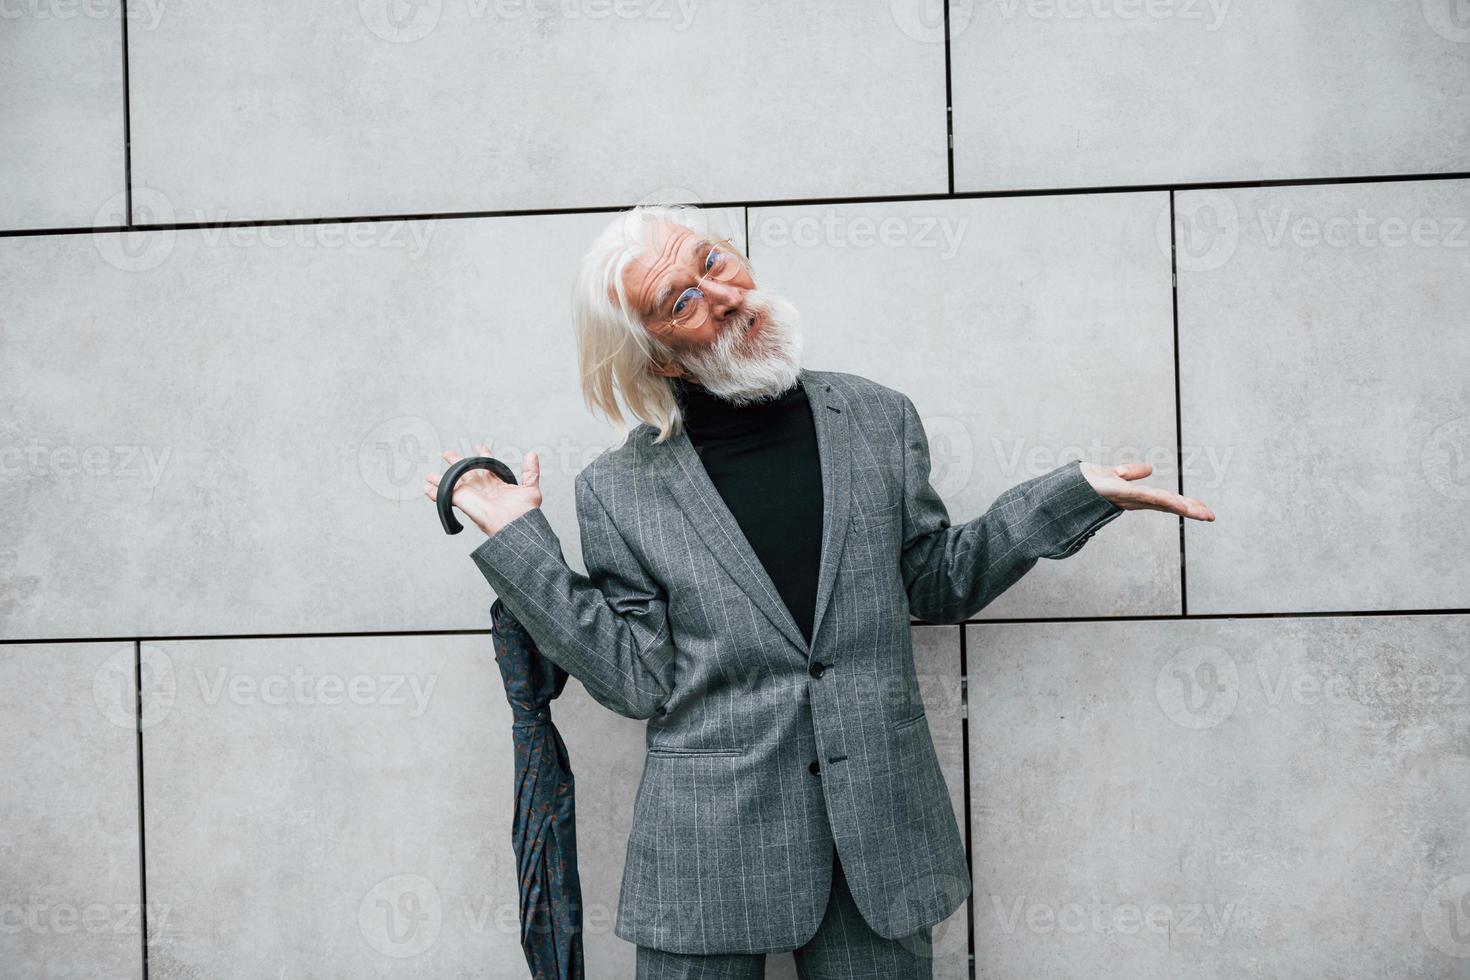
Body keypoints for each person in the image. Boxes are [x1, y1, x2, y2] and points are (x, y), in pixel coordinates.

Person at [426, 204, 1214, 978]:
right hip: (708, 856)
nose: (723, 294)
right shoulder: (618, 490)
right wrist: (516, 542)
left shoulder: (877, 417)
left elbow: (936, 581)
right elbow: (636, 679)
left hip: (877, 843)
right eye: (683, 301)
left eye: (712, 262)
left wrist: (1073, 494)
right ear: (659, 356)